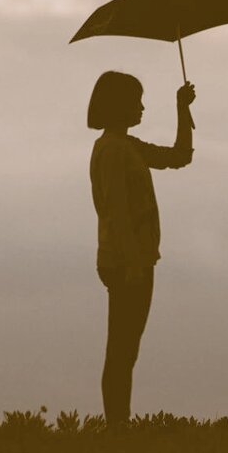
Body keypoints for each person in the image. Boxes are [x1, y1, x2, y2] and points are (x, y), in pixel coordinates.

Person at [87, 71, 196, 425]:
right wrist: (133, 263)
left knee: (125, 349)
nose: (142, 107)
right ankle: (117, 426)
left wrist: (182, 109)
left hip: (133, 260)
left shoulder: (127, 146)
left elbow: (179, 156)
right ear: (118, 105)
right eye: (136, 101)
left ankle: (118, 424)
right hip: (125, 262)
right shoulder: (113, 149)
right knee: (122, 349)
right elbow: (116, 210)